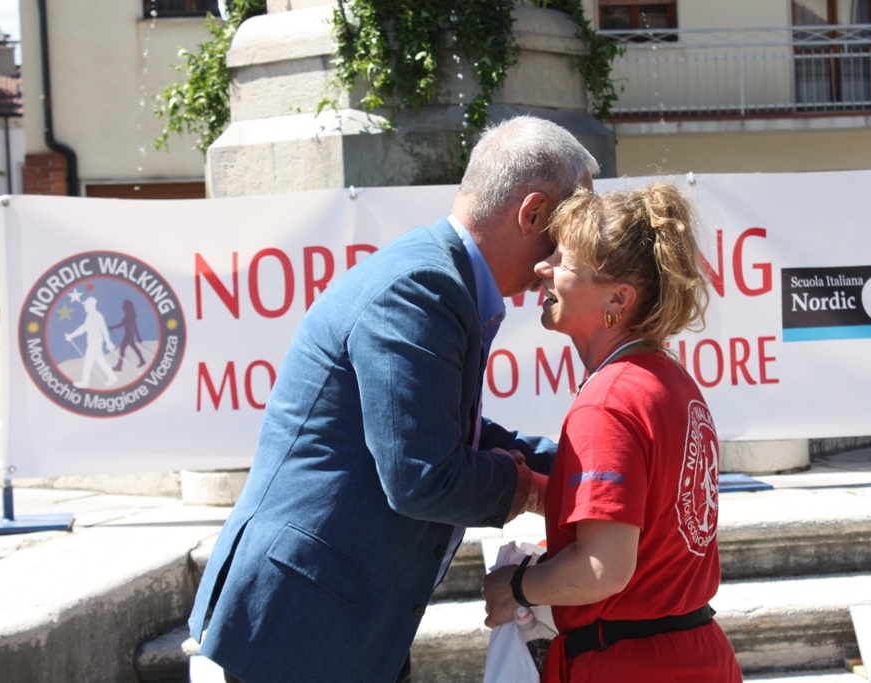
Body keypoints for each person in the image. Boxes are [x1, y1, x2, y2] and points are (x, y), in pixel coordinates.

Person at [188, 115, 600, 683]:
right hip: (297, 629)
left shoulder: (440, 279)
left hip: (332, 622)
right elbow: (422, 474)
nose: (565, 258)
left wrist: (589, 471)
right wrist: (531, 488)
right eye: (570, 230)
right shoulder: (423, 288)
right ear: (532, 214)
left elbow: (454, 435)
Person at [483, 184, 743, 682]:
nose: (542, 267)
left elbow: (602, 568)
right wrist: (537, 493)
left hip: (631, 664)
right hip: (693, 654)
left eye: (562, 260)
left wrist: (515, 587)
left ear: (617, 299)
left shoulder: (609, 400)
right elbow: (646, 519)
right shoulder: (668, 379)